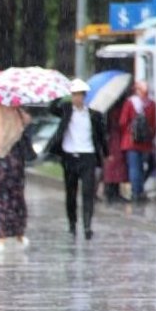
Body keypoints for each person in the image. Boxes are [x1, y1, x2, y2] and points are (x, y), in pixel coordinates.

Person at [47, 78, 108, 240]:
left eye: (79, 95)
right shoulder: (66, 110)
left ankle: (87, 225)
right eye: (74, 95)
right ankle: (72, 224)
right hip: (69, 157)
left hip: (88, 157)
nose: (76, 98)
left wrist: (106, 154)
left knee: (88, 192)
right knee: (71, 193)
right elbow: (51, 108)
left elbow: (101, 137)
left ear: (84, 96)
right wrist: (59, 94)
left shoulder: (93, 115)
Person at [0, 103, 32, 253]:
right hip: (16, 162)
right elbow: (26, 135)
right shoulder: (19, 114)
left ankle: (0, 237)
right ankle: (19, 234)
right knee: (15, 197)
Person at [118, 80, 156, 203]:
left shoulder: (130, 103)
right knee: (144, 167)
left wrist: (129, 132)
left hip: (130, 142)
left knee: (134, 168)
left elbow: (122, 122)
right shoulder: (152, 105)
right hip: (145, 143)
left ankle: (136, 192)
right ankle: (139, 190)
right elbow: (154, 125)